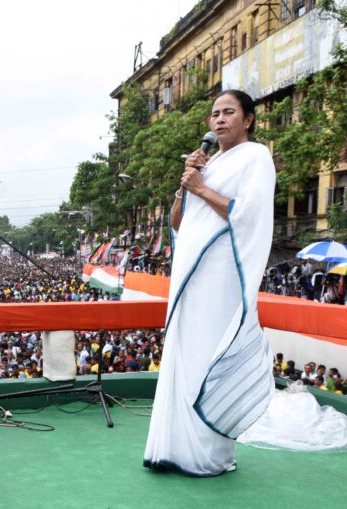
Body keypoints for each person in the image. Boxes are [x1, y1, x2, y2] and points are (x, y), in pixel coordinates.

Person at [144, 89, 276, 477]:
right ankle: (174, 449)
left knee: (208, 355)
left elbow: (248, 215)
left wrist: (202, 187)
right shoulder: (208, 163)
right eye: (214, 114)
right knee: (186, 355)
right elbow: (178, 223)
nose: (219, 120)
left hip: (222, 273)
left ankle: (210, 455)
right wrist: (188, 184)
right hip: (192, 275)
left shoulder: (257, 157)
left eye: (228, 112)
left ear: (247, 119)